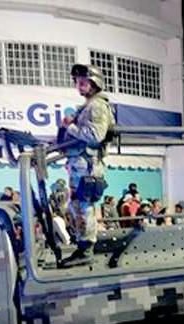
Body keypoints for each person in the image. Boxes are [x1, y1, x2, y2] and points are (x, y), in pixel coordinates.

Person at [59, 63, 115, 267]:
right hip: (81, 164)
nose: (79, 85)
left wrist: (70, 127)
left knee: (84, 206)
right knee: (77, 205)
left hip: (87, 166)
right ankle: (83, 246)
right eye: (77, 81)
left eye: (83, 81)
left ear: (95, 83)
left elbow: (95, 135)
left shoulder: (97, 105)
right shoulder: (89, 105)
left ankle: (86, 249)